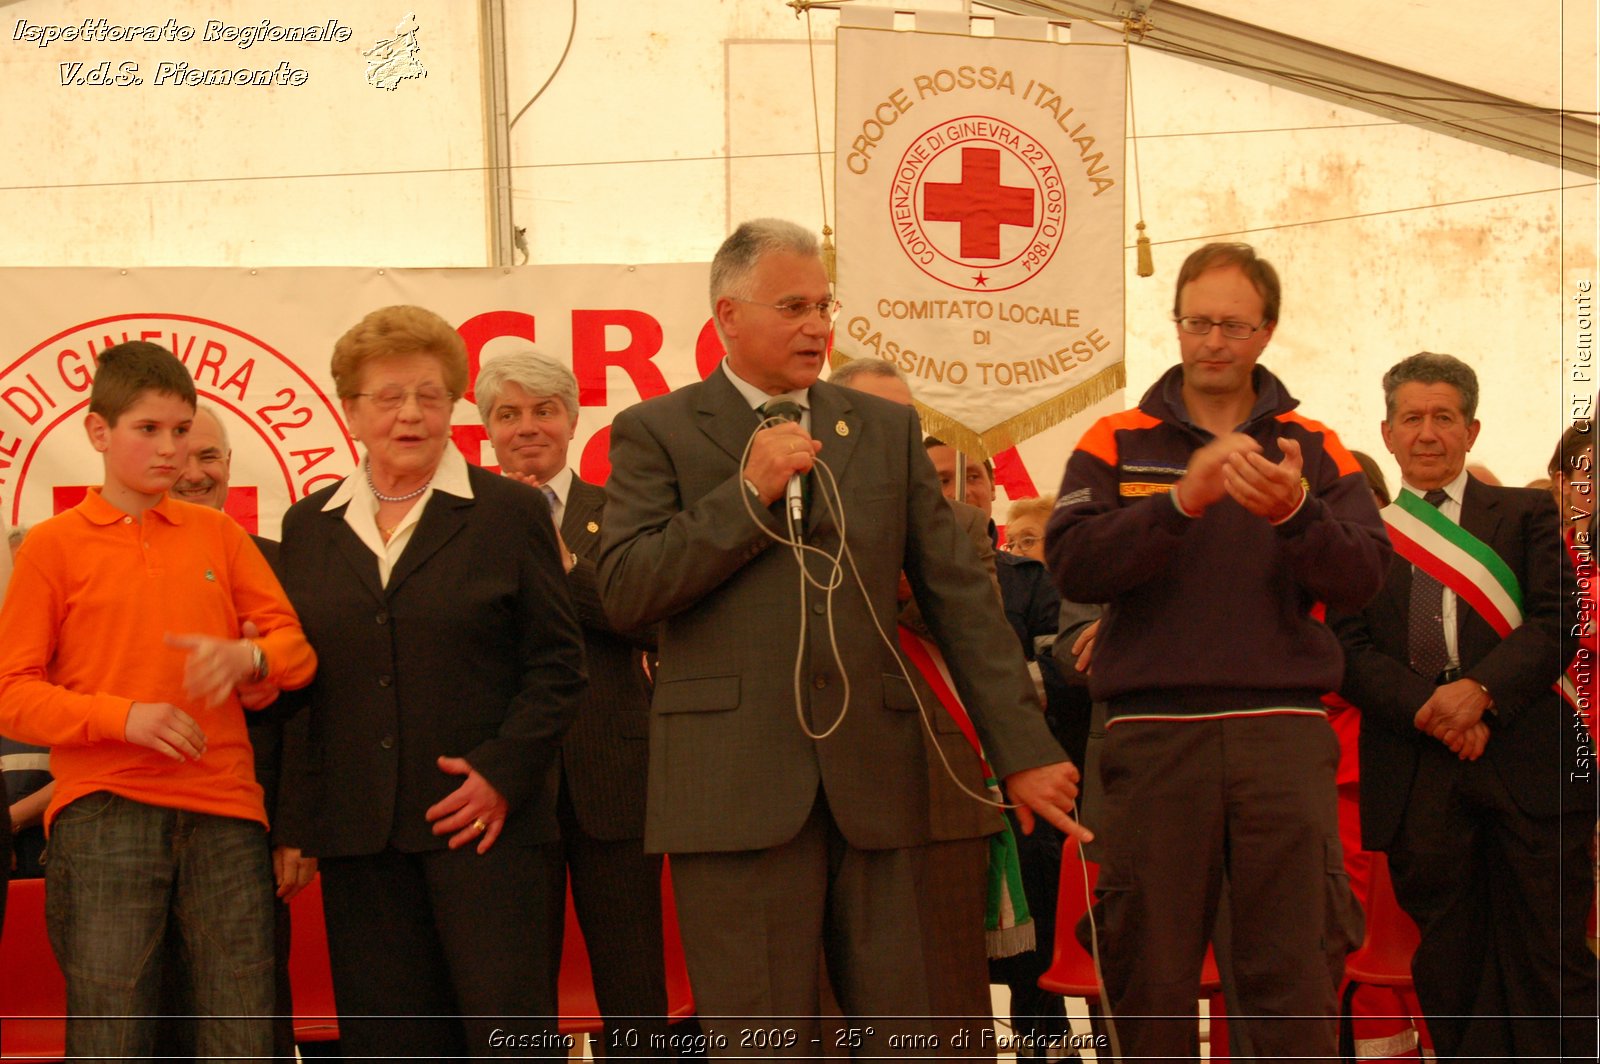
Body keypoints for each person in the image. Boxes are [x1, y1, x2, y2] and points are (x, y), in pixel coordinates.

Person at [597, 219, 1087, 1055]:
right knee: (764, 1037)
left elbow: (961, 599)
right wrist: (745, 494)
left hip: (881, 780)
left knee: (909, 1031)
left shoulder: (883, 429)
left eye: (824, 305)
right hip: (732, 789)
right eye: (792, 306)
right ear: (727, 315)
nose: (818, 326)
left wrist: (1025, 749)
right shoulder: (659, 432)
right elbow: (626, 589)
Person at [1045, 241, 1386, 1061]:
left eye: (1234, 325)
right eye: (1198, 322)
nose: (1213, 341)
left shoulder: (1316, 444)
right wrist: (1181, 501)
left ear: (1266, 332)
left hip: (1281, 734)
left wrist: (1298, 512)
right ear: (1177, 325)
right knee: (1147, 972)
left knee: (1292, 973)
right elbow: (1074, 562)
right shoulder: (1116, 437)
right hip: (1153, 738)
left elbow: (1366, 578)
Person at [273, 305, 587, 1059]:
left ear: (454, 407)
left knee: (507, 1043)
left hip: (486, 834)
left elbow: (558, 667)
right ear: (351, 410)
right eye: (388, 397)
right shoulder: (308, 525)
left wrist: (502, 775)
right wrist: (295, 822)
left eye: (430, 394)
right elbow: (300, 685)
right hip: (360, 840)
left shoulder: (510, 511)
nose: (410, 414)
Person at [0, 340, 317, 1060]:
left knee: (243, 1036)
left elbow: (296, 654)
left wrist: (253, 657)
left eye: (182, 430)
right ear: (97, 432)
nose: (171, 449)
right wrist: (123, 717)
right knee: (113, 1036)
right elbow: (11, 696)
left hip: (229, 814)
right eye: (149, 430)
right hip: (103, 810)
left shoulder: (221, 536)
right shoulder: (51, 547)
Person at [1333, 352, 1597, 1059]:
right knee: (1450, 967)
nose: (1427, 433)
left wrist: (1479, 694)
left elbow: (1558, 618)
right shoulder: (1362, 537)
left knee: (1551, 957)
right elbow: (1348, 648)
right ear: (1387, 434)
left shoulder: (1529, 512)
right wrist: (1433, 710)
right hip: (1421, 776)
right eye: (1411, 418)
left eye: (1443, 418)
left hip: (1531, 769)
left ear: (1471, 430)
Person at [474, 349, 673, 1055]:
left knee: (635, 987)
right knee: (512, 989)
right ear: (485, 429)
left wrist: (561, 557)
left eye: (543, 410)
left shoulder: (622, 511)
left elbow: (651, 618)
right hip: (505, 788)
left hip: (612, 781)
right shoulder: (462, 519)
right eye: (508, 414)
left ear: (571, 418)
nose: (527, 427)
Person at [829, 355, 1003, 1057]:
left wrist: (897, 570)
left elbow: (977, 629)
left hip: (940, 790)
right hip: (825, 787)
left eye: (905, 421)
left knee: (950, 997)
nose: (890, 433)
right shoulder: (789, 511)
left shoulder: (958, 524)